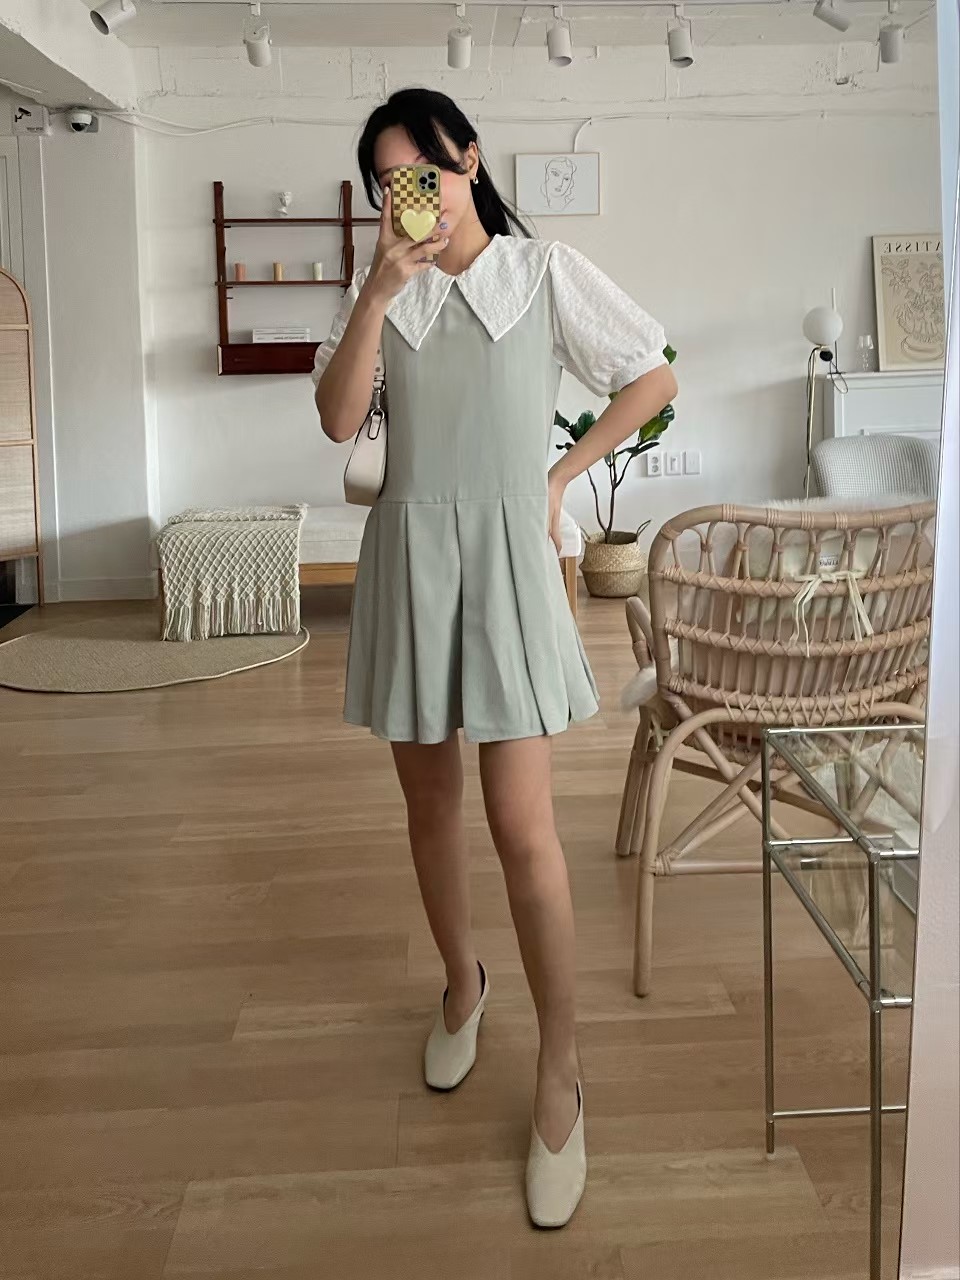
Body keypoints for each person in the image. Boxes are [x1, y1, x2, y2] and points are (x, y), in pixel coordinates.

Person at [313, 88, 675, 1229]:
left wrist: (559, 478)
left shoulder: (542, 272)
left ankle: (561, 1068)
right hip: (408, 562)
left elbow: (654, 374)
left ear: (469, 158)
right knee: (429, 808)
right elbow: (337, 420)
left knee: (524, 829)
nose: (407, 194)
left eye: (421, 170)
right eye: (387, 182)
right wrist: (379, 288)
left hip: (510, 565)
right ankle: (462, 982)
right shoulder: (383, 288)